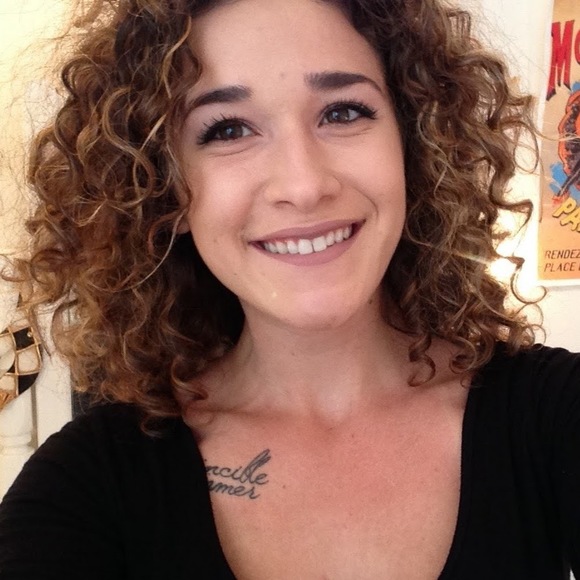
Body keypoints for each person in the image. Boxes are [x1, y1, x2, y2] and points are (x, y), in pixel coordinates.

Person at [0, 0, 578, 578]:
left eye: (343, 112)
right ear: (162, 186)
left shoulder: (553, 414)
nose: (304, 185)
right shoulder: (88, 483)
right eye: (228, 129)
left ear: (414, 144)